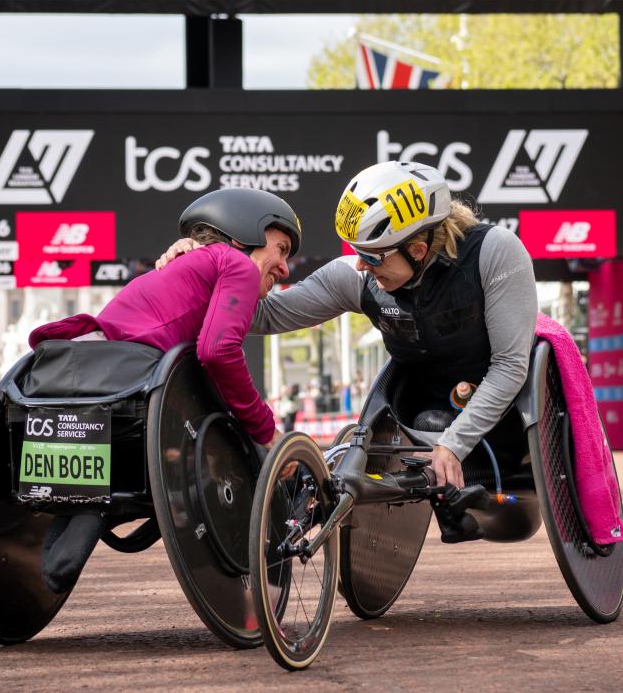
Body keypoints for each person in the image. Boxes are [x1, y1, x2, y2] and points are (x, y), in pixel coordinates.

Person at [159, 160, 538, 494]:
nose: (360, 265)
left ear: (417, 250)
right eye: (355, 251)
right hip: (420, 423)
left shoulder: (495, 252)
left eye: (371, 256)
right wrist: (198, 267)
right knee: (424, 424)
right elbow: (264, 314)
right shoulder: (357, 278)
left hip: (507, 426)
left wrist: (454, 443)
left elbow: (510, 365)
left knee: (439, 425)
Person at [28, 187, 302, 591]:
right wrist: (267, 430)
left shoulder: (188, 265)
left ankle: (83, 513)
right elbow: (218, 352)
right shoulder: (237, 265)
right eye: (280, 249)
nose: (285, 268)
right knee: (256, 443)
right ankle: (272, 568)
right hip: (132, 385)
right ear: (245, 235)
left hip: (79, 375)